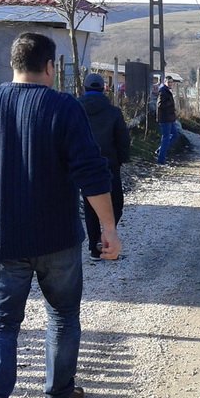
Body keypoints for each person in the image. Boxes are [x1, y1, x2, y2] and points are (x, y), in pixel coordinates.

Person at [0, 32, 122, 398]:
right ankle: (58, 396)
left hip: (1, 238)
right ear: (49, 67)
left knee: (0, 321)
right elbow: (91, 171)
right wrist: (108, 228)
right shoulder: (63, 106)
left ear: (13, 63)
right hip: (56, 236)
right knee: (62, 315)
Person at [78, 73, 131, 261]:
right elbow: (123, 139)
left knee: (91, 205)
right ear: (103, 89)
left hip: (84, 165)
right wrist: (122, 159)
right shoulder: (113, 112)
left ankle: (94, 248)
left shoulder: (75, 109)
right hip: (109, 165)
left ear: (84, 88)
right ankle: (107, 237)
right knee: (116, 203)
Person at [156, 73, 179, 165]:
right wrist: (170, 102)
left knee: (175, 135)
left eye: (171, 82)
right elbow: (160, 105)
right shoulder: (163, 91)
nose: (170, 84)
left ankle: (160, 150)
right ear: (164, 82)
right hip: (165, 119)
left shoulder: (167, 91)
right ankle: (161, 159)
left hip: (169, 118)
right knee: (166, 138)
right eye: (168, 82)